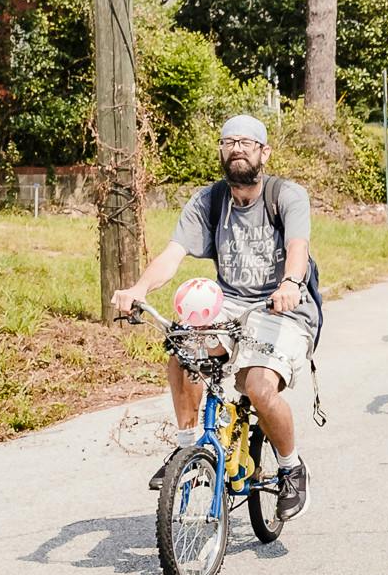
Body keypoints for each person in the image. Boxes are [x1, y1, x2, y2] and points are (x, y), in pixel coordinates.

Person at [110, 115, 319, 520]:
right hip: (232, 303)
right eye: (229, 142)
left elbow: (297, 246)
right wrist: (138, 289)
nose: (237, 148)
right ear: (221, 151)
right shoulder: (209, 200)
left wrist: (291, 282)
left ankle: (292, 468)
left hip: (284, 306)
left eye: (247, 142)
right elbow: (172, 256)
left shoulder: (286, 196)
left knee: (258, 386)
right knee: (184, 351)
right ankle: (189, 448)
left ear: (264, 152)